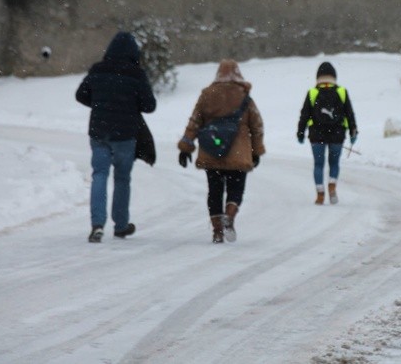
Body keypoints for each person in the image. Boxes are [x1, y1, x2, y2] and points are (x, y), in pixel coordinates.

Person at [76, 31, 157, 243]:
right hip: (125, 135)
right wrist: (130, 103)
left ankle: (97, 224)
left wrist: (100, 102)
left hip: (99, 131)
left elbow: (81, 95)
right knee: (122, 178)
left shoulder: (98, 69)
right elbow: (150, 106)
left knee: (99, 174)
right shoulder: (136, 74)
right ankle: (121, 226)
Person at [177, 59, 265, 243]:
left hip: (212, 150)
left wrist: (186, 147)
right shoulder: (244, 96)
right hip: (238, 152)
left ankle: (217, 231)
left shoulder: (207, 95)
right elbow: (256, 125)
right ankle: (230, 216)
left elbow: (195, 121)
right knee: (236, 188)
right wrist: (256, 150)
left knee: (214, 190)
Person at [297, 61, 358, 205]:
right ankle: (332, 184)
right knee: (334, 163)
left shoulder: (312, 93)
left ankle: (320, 193)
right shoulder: (341, 92)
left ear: (318, 77)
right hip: (337, 134)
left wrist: (300, 132)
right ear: (334, 77)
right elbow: (350, 114)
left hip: (316, 136)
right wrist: (353, 131)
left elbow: (304, 115)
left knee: (318, 164)